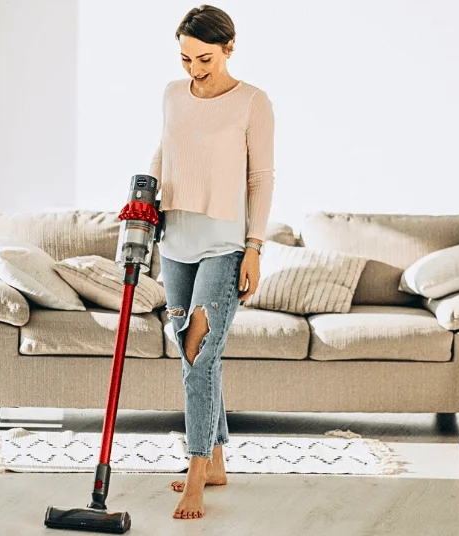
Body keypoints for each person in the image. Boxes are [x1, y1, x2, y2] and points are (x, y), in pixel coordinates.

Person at [147, 4, 275, 520]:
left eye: (203, 58)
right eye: (184, 58)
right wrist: (143, 197)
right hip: (174, 240)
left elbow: (261, 178)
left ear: (228, 49)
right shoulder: (173, 95)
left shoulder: (252, 102)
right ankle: (217, 459)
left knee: (199, 351)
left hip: (224, 245)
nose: (194, 69)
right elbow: (164, 152)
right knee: (192, 353)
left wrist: (255, 246)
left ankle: (197, 472)